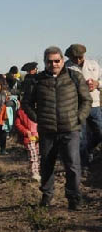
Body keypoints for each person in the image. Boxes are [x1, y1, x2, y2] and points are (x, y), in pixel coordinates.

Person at [22, 46, 91, 210]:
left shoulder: (75, 77)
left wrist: (79, 118)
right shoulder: (36, 80)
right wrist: (37, 118)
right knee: (47, 164)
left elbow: (86, 100)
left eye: (57, 61)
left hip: (70, 129)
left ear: (62, 60)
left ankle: (74, 197)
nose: (53, 64)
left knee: (73, 165)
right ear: (45, 62)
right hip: (47, 131)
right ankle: (47, 195)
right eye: (49, 61)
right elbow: (26, 103)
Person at [65, 44, 102, 176]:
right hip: (77, 106)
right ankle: (84, 164)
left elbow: (101, 79)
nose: (78, 60)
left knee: (99, 132)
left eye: (80, 57)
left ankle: (89, 150)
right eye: (75, 58)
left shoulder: (94, 64)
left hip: (94, 105)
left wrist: (97, 84)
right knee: (81, 138)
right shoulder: (66, 68)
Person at [14, 104, 40, 181]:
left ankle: (38, 171)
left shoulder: (39, 109)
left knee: (38, 155)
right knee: (33, 155)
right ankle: (34, 173)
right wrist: (25, 132)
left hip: (39, 136)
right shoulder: (21, 112)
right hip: (29, 137)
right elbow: (18, 124)